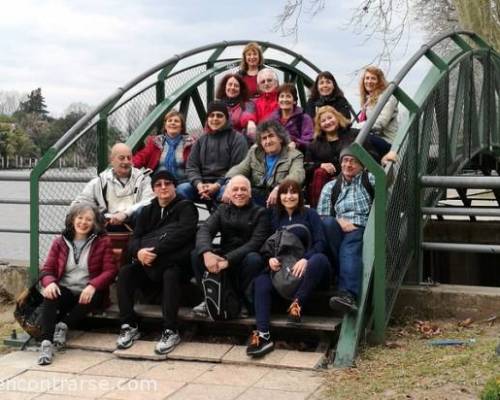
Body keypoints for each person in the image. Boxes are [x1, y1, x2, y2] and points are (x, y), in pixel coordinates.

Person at [116, 170, 198, 354]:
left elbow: (183, 235)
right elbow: (134, 238)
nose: (163, 187)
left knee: (171, 274)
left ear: (174, 186)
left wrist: (155, 251)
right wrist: (139, 253)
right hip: (149, 264)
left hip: (176, 264)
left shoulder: (186, 208)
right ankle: (128, 325)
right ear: (153, 189)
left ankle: (170, 329)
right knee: (126, 273)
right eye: (158, 185)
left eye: (167, 183)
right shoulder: (147, 210)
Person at [246, 179, 331, 357]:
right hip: (283, 271)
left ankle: (297, 305)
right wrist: (269, 259)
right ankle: (263, 334)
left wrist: (306, 259)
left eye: (293, 192)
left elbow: (321, 242)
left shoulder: (310, 214)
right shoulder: (273, 216)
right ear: (280, 196)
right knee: (261, 281)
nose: (289, 196)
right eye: (285, 192)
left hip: (309, 271)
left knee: (320, 259)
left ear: (300, 195)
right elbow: (265, 243)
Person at [37, 204, 118, 365]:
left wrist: (93, 285)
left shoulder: (102, 242)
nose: (83, 222)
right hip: (66, 289)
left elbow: (110, 271)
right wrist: (50, 283)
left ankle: (63, 326)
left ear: (95, 223)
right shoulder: (59, 242)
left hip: (89, 290)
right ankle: (46, 344)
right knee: (50, 294)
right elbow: (47, 270)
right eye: (80, 218)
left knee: (95, 295)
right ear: (72, 220)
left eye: (89, 219)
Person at [191, 175, 270, 317]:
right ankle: (209, 298)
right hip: (224, 255)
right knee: (196, 254)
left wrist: (228, 260)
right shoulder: (222, 209)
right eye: (235, 189)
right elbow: (205, 230)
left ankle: (242, 301)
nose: (239, 193)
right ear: (228, 192)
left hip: (245, 258)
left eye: (243, 189)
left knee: (254, 259)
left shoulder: (260, 213)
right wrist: (207, 253)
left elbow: (255, 243)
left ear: (250, 193)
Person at [317, 147, 374, 314]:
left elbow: (390, 187)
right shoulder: (331, 186)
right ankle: (340, 276)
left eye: (353, 161)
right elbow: (321, 216)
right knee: (327, 224)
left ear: (362, 165)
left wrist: (391, 160)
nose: (348, 165)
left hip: (359, 226)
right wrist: (338, 220)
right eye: (345, 161)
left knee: (349, 247)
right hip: (337, 228)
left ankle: (348, 295)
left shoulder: (369, 179)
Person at [306, 106, 395, 208]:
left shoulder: (354, 134)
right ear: (319, 125)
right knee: (319, 173)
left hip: (355, 177)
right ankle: (319, 214)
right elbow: (307, 166)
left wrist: (384, 157)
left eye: (330, 118)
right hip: (330, 183)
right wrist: (320, 165)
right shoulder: (314, 145)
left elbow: (371, 153)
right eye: (323, 121)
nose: (327, 122)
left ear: (337, 117)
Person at [176, 101, 248, 206]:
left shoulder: (237, 139)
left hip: (225, 184)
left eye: (219, 116)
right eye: (211, 115)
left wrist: (217, 185)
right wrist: (199, 184)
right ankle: (189, 218)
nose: (215, 119)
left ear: (226, 118)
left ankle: (221, 220)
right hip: (202, 185)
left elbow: (238, 168)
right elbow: (192, 166)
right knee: (181, 189)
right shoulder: (201, 140)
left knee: (229, 192)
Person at [72, 143, 154, 229]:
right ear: (112, 160)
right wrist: (95, 213)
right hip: (105, 226)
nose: (126, 161)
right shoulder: (100, 181)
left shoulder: (143, 179)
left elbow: (149, 200)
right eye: (121, 158)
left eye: (129, 158)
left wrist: (125, 214)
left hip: (136, 227)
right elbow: (78, 203)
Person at [225, 120, 305, 207]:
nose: (268, 141)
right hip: (256, 195)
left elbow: (297, 175)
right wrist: (230, 183)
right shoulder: (255, 152)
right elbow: (240, 169)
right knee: (226, 191)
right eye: (264, 138)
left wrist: (279, 189)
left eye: (271, 136)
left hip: (280, 198)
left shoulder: (294, 155)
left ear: (280, 138)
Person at [132, 110, 195, 183]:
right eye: (169, 120)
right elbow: (142, 156)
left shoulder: (190, 143)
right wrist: (128, 165)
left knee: (183, 190)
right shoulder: (156, 142)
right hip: (159, 183)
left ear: (182, 127)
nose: (173, 123)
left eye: (176, 121)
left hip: (183, 182)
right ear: (165, 126)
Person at [357, 66, 399, 153]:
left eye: (373, 78)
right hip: (374, 137)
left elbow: (381, 122)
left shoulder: (388, 97)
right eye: (367, 78)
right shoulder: (368, 100)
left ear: (380, 81)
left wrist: (358, 127)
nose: (369, 81)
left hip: (387, 141)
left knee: (357, 136)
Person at [269, 83, 314, 152]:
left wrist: (296, 144)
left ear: (294, 101)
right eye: (282, 96)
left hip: (297, 155)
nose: (284, 99)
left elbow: (309, 141)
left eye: (288, 96)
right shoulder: (272, 119)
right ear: (278, 101)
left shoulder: (304, 118)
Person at [241, 68, 280, 141]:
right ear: (259, 87)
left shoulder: (282, 100)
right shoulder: (254, 102)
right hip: (260, 139)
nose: (266, 83)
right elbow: (247, 113)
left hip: (278, 137)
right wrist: (250, 121)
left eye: (269, 80)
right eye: (263, 82)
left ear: (276, 83)